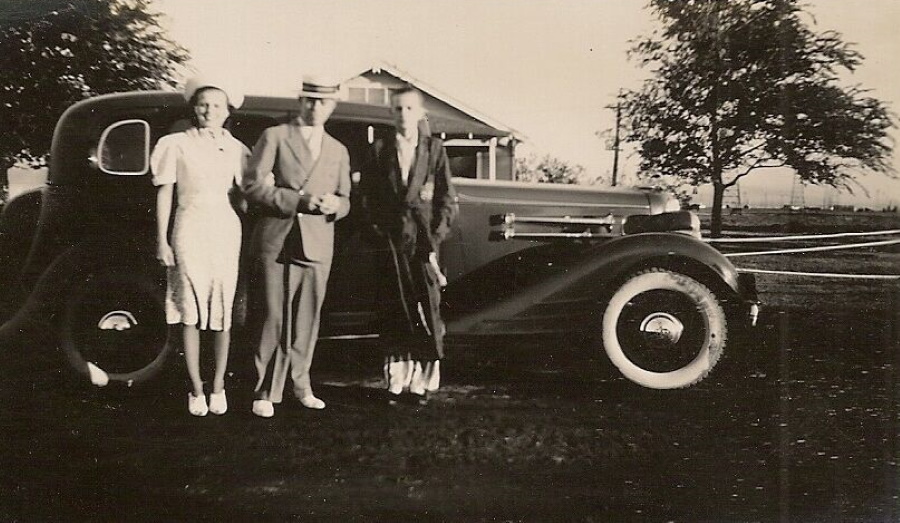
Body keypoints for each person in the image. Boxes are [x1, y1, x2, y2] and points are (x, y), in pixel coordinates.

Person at [243, 75, 351, 418]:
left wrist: (337, 206)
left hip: (318, 242)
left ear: (332, 106)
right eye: (308, 100)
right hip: (277, 238)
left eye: (322, 102)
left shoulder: (338, 149)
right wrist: (299, 200)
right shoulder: (275, 136)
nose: (315, 107)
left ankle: (301, 384)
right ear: (299, 102)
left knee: (307, 318)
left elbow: (346, 197)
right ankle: (264, 389)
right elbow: (252, 186)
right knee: (271, 316)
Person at [151, 76, 249, 417]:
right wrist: (162, 240)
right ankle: (196, 388)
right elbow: (165, 192)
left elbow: (245, 193)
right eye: (203, 104)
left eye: (217, 105)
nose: (210, 110)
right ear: (194, 107)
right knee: (189, 309)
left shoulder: (237, 149)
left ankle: (218, 385)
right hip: (189, 226)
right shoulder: (176, 144)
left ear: (227, 111)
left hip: (224, 228)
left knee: (222, 308)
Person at [359, 86, 458, 405]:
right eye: (397, 109)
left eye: (409, 109)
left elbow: (445, 198)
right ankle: (396, 379)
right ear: (391, 113)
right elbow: (366, 198)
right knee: (394, 307)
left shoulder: (434, 149)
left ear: (420, 113)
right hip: (389, 240)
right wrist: (377, 230)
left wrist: (435, 235)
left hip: (423, 239)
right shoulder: (379, 149)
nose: (403, 115)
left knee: (426, 306)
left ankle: (423, 382)